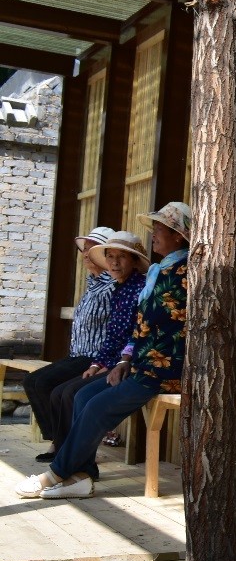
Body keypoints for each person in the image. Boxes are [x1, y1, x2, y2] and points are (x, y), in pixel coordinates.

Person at [16, 202, 191, 501]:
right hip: (139, 365)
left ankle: (55, 474)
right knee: (83, 396)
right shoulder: (160, 271)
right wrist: (124, 360)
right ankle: (82, 477)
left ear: (177, 235)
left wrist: (125, 361)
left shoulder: (186, 271)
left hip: (162, 370)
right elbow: (141, 324)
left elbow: (172, 324)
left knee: (96, 407)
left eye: (160, 228)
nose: (154, 234)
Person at [41, 231, 150, 457]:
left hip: (128, 364)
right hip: (109, 361)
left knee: (74, 394)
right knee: (61, 392)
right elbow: (111, 337)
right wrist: (96, 364)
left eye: (122, 257)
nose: (115, 262)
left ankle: (74, 456)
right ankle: (65, 451)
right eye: (110, 256)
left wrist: (115, 363)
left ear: (134, 261)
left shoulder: (140, 288)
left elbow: (137, 333)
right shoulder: (120, 288)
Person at [24, 225, 115, 463]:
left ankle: (63, 445)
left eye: (92, 249)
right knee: (33, 381)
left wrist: (106, 362)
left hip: (94, 356)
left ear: (105, 254)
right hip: (77, 354)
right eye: (84, 249)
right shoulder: (92, 285)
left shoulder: (113, 286)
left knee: (50, 386)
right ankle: (60, 441)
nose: (86, 254)